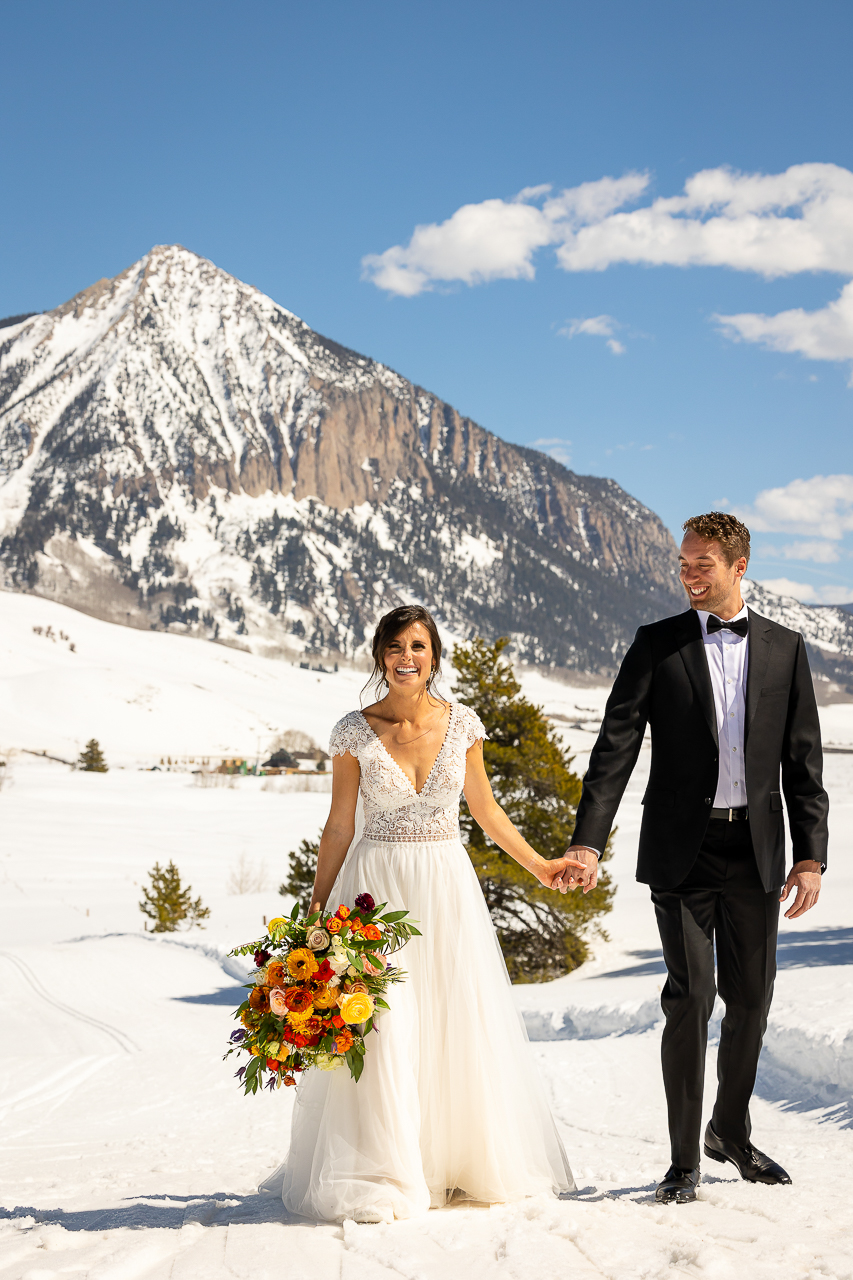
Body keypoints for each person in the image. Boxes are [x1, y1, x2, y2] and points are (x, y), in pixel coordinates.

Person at [261, 604, 579, 1222]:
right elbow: (338, 824)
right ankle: (385, 1168)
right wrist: (317, 906)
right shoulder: (354, 731)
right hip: (372, 894)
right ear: (380, 656)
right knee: (383, 1025)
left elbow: (486, 813)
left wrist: (541, 867)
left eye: (419, 647)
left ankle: (452, 1161)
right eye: (396, 647)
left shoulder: (462, 725)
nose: (407, 658)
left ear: (434, 657)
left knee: (451, 1016)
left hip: (444, 885)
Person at [557, 512, 828, 1205]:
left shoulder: (784, 648)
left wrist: (809, 857)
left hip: (756, 853)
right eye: (682, 562)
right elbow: (613, 748)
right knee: (691, 1000)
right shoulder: (655, 645)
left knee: (752, 1001)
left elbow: (802, 763)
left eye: (702, 564)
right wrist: (587, 840)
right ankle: (683, 1160)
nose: (688, 575)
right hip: (681, 852)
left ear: (739, 567)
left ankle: (728, 1131)